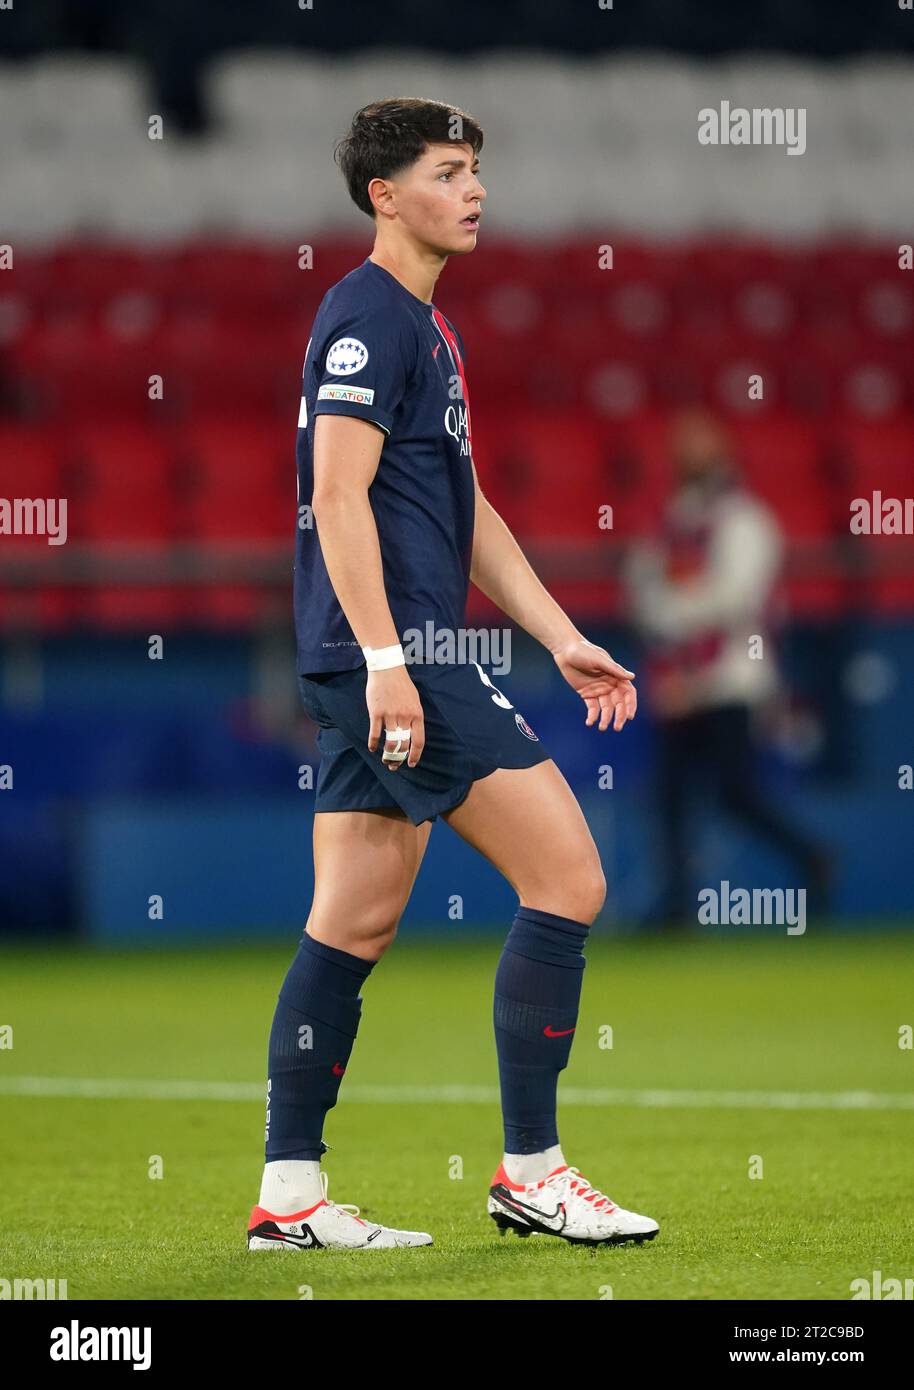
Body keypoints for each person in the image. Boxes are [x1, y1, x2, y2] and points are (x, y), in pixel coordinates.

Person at [246, 98, 658, 1250]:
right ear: (384, 194)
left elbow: (461, 510)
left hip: (380, 653)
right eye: (445, 171)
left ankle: (288, 1196)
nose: (472, 190)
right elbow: (335, 497)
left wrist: (557, 628)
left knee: (353, 921)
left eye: (475, 169)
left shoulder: (424, 327)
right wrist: (387, 658)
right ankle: (532, 1168)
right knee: (568, 878)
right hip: (401, 656)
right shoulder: (367, 318)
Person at [625, 409, 830, 928]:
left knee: (736, 795)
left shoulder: (743, 519)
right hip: (676, 679)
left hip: (731, 680)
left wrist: (674, 610)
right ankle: (675, 906)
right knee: (670, 796)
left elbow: (735, 598)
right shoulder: (670, 520)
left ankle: (813, 857)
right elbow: (643, 591)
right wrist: (671, 612)